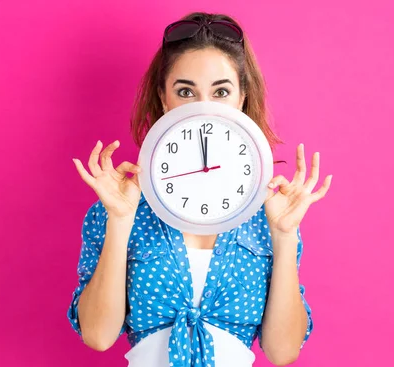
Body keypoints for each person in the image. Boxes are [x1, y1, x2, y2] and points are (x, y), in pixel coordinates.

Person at [68, 11, 332, 367]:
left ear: (241, 98)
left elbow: (283, 351)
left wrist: (284, 236)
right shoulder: (121, 203)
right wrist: (119, 220)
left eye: (220, 91)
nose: (204, 107)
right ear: (164, 99)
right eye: (186, 91)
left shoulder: (270, 212)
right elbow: (97, 336)